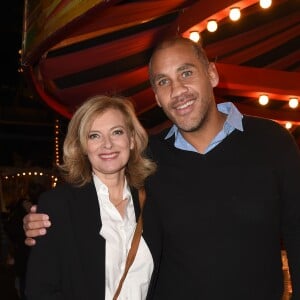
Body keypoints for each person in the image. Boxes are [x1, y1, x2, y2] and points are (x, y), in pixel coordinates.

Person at [23, 37, 300, 299]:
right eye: (163, 81)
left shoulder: (271, 141)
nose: (177, 90)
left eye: (186, 73)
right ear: (156, 96)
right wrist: (46, 221)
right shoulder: (148, 159)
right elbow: (96, 195)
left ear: (212, 75)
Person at [24, 95, 157, 300]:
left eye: (117, 132)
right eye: (94, 135)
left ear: (131, 139)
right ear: (83, 146)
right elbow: (39, 291)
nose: (107, 144)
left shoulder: (154, 201)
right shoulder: (58, 206)